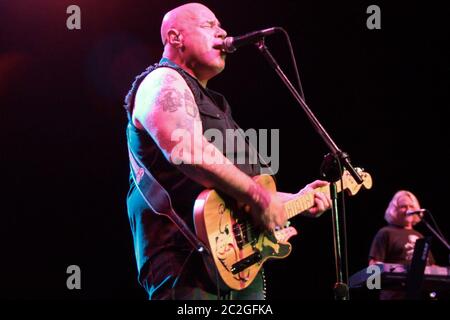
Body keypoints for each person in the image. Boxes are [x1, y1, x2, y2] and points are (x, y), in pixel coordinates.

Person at [123, 2, 331, 300]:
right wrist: (259, 196)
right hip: (184, 260)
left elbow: (239, 192)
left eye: (221, 26)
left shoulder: (219, 107)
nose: (222, 33)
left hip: (237, 265)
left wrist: (297, 200)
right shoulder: (163, 80)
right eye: (209, 25)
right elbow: (187, 149)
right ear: (175, 37)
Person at [368, 190, 435, 299]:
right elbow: (373, 267)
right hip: (395, 295)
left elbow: (431, 267)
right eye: (403, 206)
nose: (408, 210)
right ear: (394, 210)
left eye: (411, 206)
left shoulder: (420, 236)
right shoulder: (386, 232)